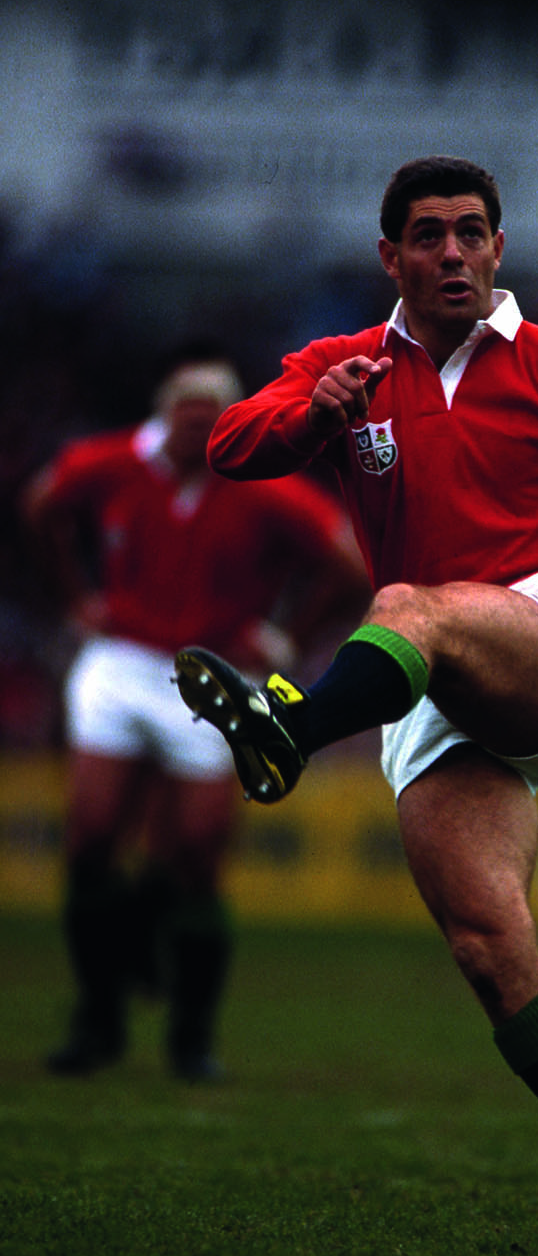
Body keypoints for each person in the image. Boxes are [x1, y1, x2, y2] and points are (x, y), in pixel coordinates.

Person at [174, 157, 538, 1253]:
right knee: (492, 952)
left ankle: (286, 728)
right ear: (389, 256)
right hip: (430, 683)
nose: (453, 253)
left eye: (472, 232)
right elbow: (227, 447)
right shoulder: (345, 365)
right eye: (429, 235)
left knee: (405, 603)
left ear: (499, 248)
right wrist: (310, 412)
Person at [22, 340, 369, 1081]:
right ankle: (100, 1016)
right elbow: (42, 503)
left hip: (214, 673)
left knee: (198, 854)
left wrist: (287, 638)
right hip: (123, 660)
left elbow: (349, 562)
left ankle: (189, 1034)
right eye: (188, 419)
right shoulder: (113, 462)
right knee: (89, 836)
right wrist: (77, 596)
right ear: (165, 414)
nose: (197, 435)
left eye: (210, 422)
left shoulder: (262, 483)